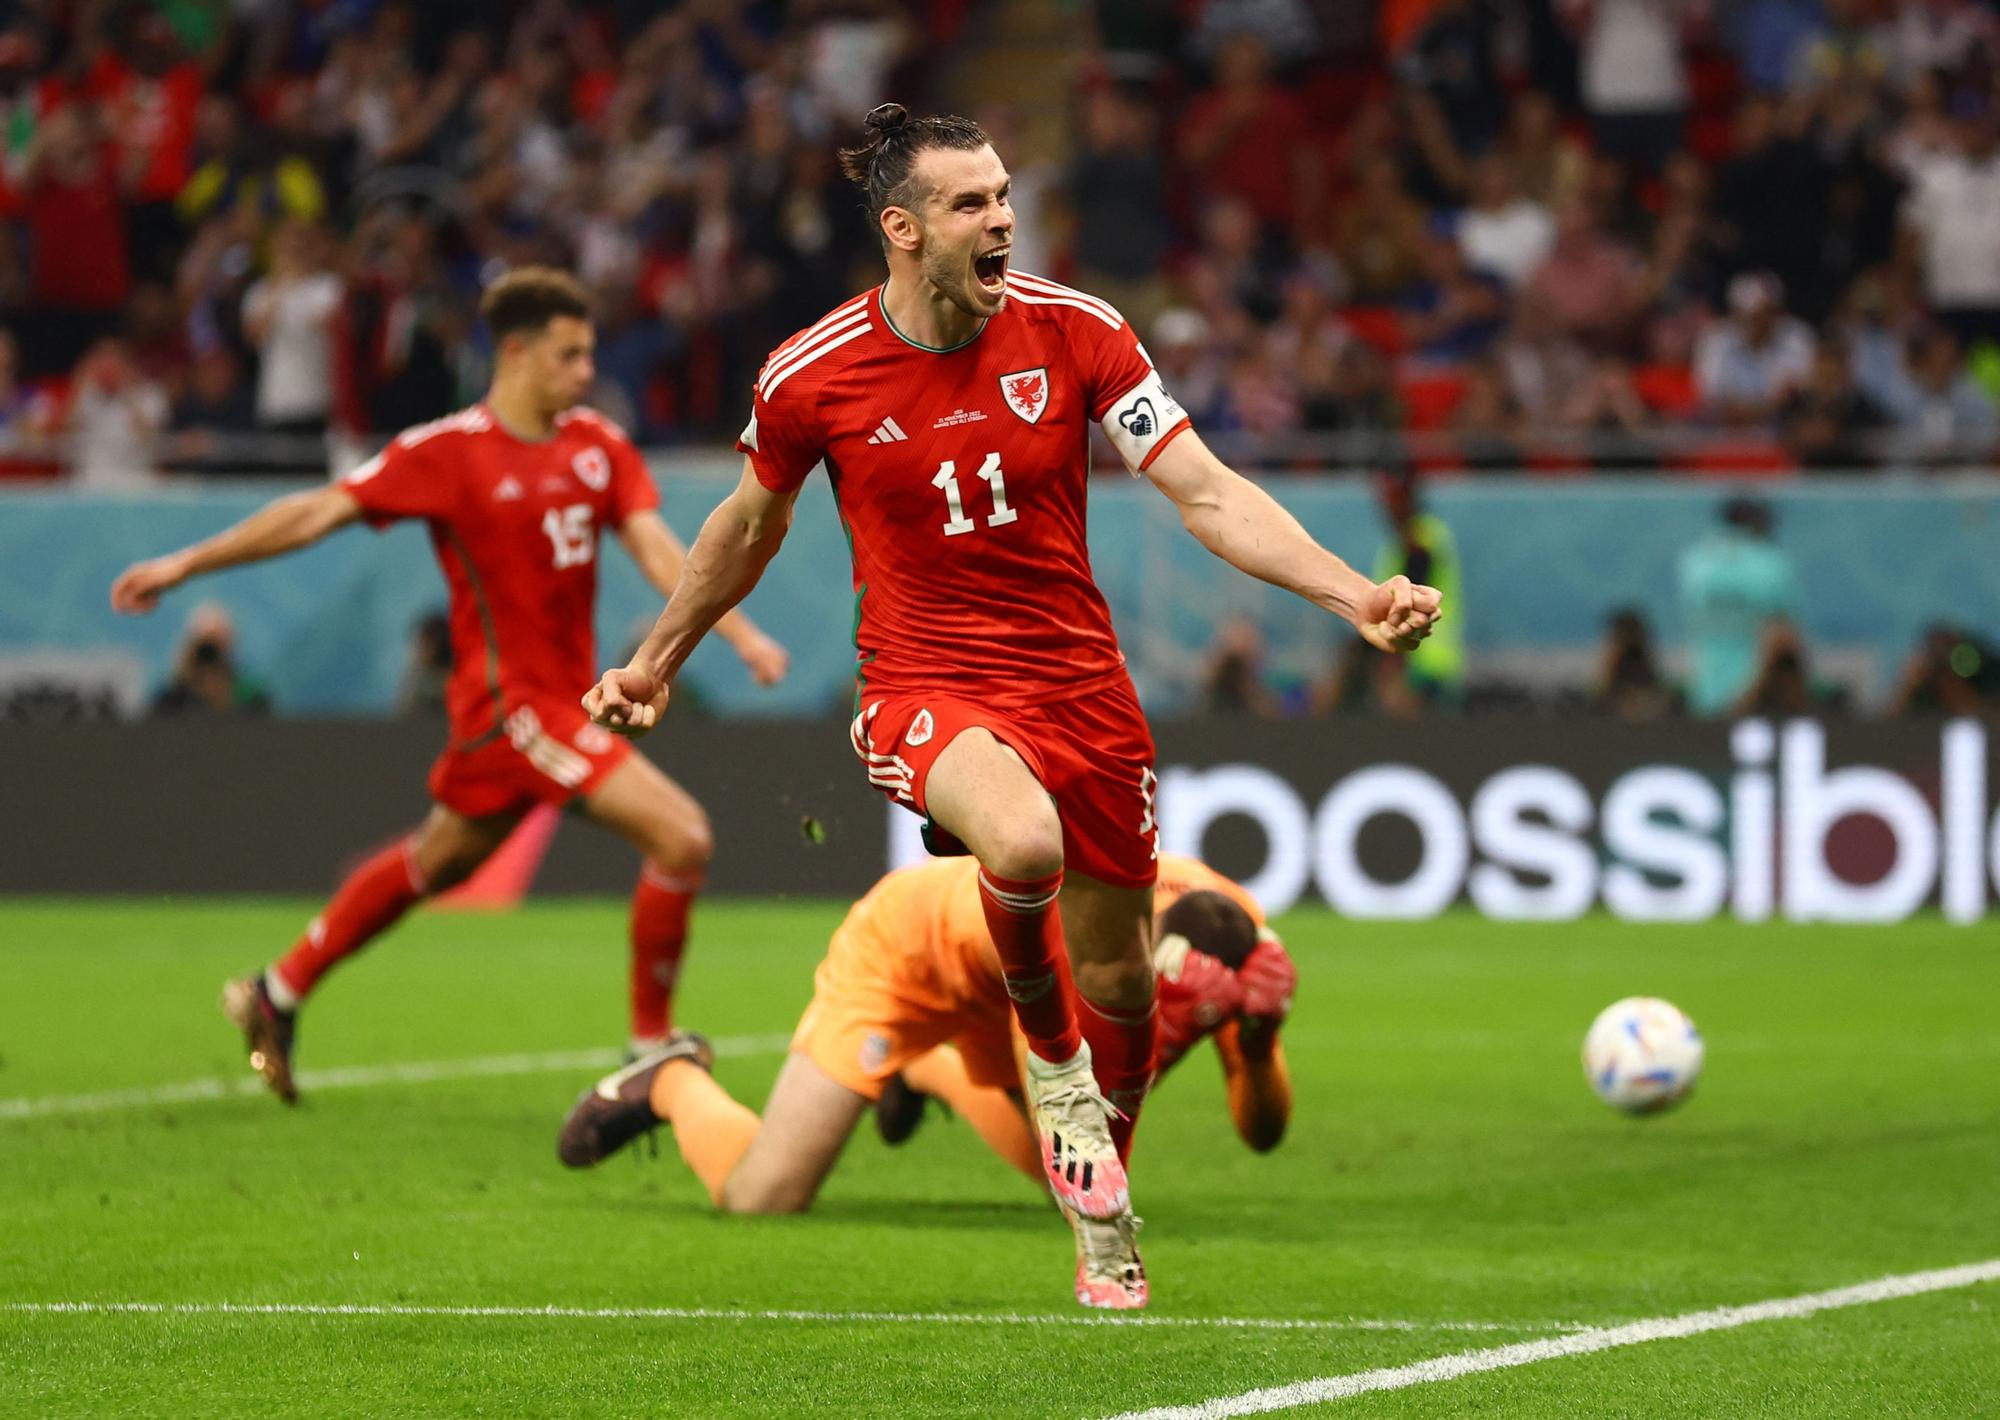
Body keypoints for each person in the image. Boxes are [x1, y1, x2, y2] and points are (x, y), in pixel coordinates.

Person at [581, 104, 1442, 1310]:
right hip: (922, 686)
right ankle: (1050, 1074)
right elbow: (745, 529)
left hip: (1081, 694)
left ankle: (1098, 1199)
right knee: (1021, 840)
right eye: (971, 202)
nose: (1002, 219)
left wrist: (1352, 594)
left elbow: (1200, 489)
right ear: (903, 229)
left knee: (1128, 988)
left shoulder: (1078, 333)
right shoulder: (811, 374)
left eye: (1003, 196)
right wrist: (656, 656)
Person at [109, 267, 790, 1101]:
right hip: (511, 710)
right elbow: (316, 512)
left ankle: (274, 991)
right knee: (682, 836)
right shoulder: (446, 454)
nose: (586, 373)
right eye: (570, 356)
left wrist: (742, 632)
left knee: (436, 861)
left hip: (558, 705)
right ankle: (650, 1043)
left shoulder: (597, 446)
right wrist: (183, 563)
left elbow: (656, 548)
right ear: (515, 352)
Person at [554, 854, 1298, 1308]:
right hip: (908, 951)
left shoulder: (1240, 947)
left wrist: (1258, 1047)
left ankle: (933, 1070)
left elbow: (1263, 1137)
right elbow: (1070, 1127)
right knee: (762, 1196)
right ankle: (672, 1079)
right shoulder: (1089, 941)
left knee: (1075, 1174)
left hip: (997, 973)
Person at [1678, 496, 1801, 717]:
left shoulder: (1694, 564)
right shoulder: (1771, 563)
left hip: (1705, 691)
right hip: (1756, 697)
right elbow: (1784, 635)